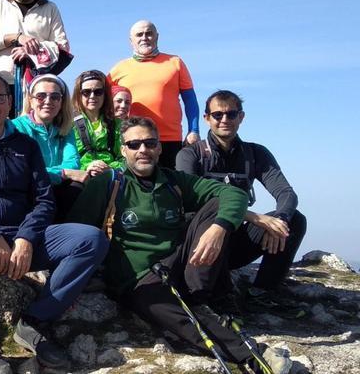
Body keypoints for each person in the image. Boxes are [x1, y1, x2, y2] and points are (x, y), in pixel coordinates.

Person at [67, 117, 289, 373]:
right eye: (134, 144)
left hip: (181, 265)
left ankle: (198, 293)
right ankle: (254, 356)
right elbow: (78, 231)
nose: (143, 150)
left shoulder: (175, 181)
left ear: (160, 148)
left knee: (216, 205)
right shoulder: (108, 184)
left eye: (150, 143)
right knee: (174, 315)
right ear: (123, 150)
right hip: (138, 280)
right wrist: (76, 281)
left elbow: (234, 194)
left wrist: (219, 228)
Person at [0, 72, 108, 373]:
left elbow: (44, 199)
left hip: (22, 236)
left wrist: (26, 238)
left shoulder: (25, 146)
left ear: (9, 103)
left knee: (91, 240)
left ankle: (34, 321)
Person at [176, 90, 306, 299]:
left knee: (294, 220)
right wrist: (255, 217)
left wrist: (279, 221)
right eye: (217, 115)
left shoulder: (255, 153)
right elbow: (189, 199)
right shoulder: (191, 154)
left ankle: (264, 292)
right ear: (207, 119)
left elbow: (286, 193)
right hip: (201, 241)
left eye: (231, 114)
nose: (224, 120)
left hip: (236, 243)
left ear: (241, 117)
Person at [108, 20, 200, 168]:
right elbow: (102, 101)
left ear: (156, 36)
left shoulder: (175, 62)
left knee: (172, 187)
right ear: (131, 41)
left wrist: (194, 130)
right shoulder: (119, 68)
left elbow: (190, 99)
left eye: (148, 33)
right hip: (134, 139)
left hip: (170, 139)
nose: (144, 37)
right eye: (139, 34)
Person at [12, 74, 84, 220]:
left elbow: (73, 162)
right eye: (41, 96)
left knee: (77, 186)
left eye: (55, 97)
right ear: (30, 101)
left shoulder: (65, 128)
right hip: (28, 190)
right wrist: (63, 173)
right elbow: (24, 170)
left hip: (54, 188)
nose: (48, 101)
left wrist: (58, 174)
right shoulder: (16, 127)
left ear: (61, 102)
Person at [72, 70, 124, 177]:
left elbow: (126, 159)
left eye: (98, 92)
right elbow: (64, 159)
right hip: (80, 176)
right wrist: (86, 167)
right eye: (86, 92)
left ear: (105, 95)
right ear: (79, 94)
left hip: (112, 176)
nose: (92, 96)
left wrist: (110, 168)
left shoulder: (118, 125)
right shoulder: (68, 124)